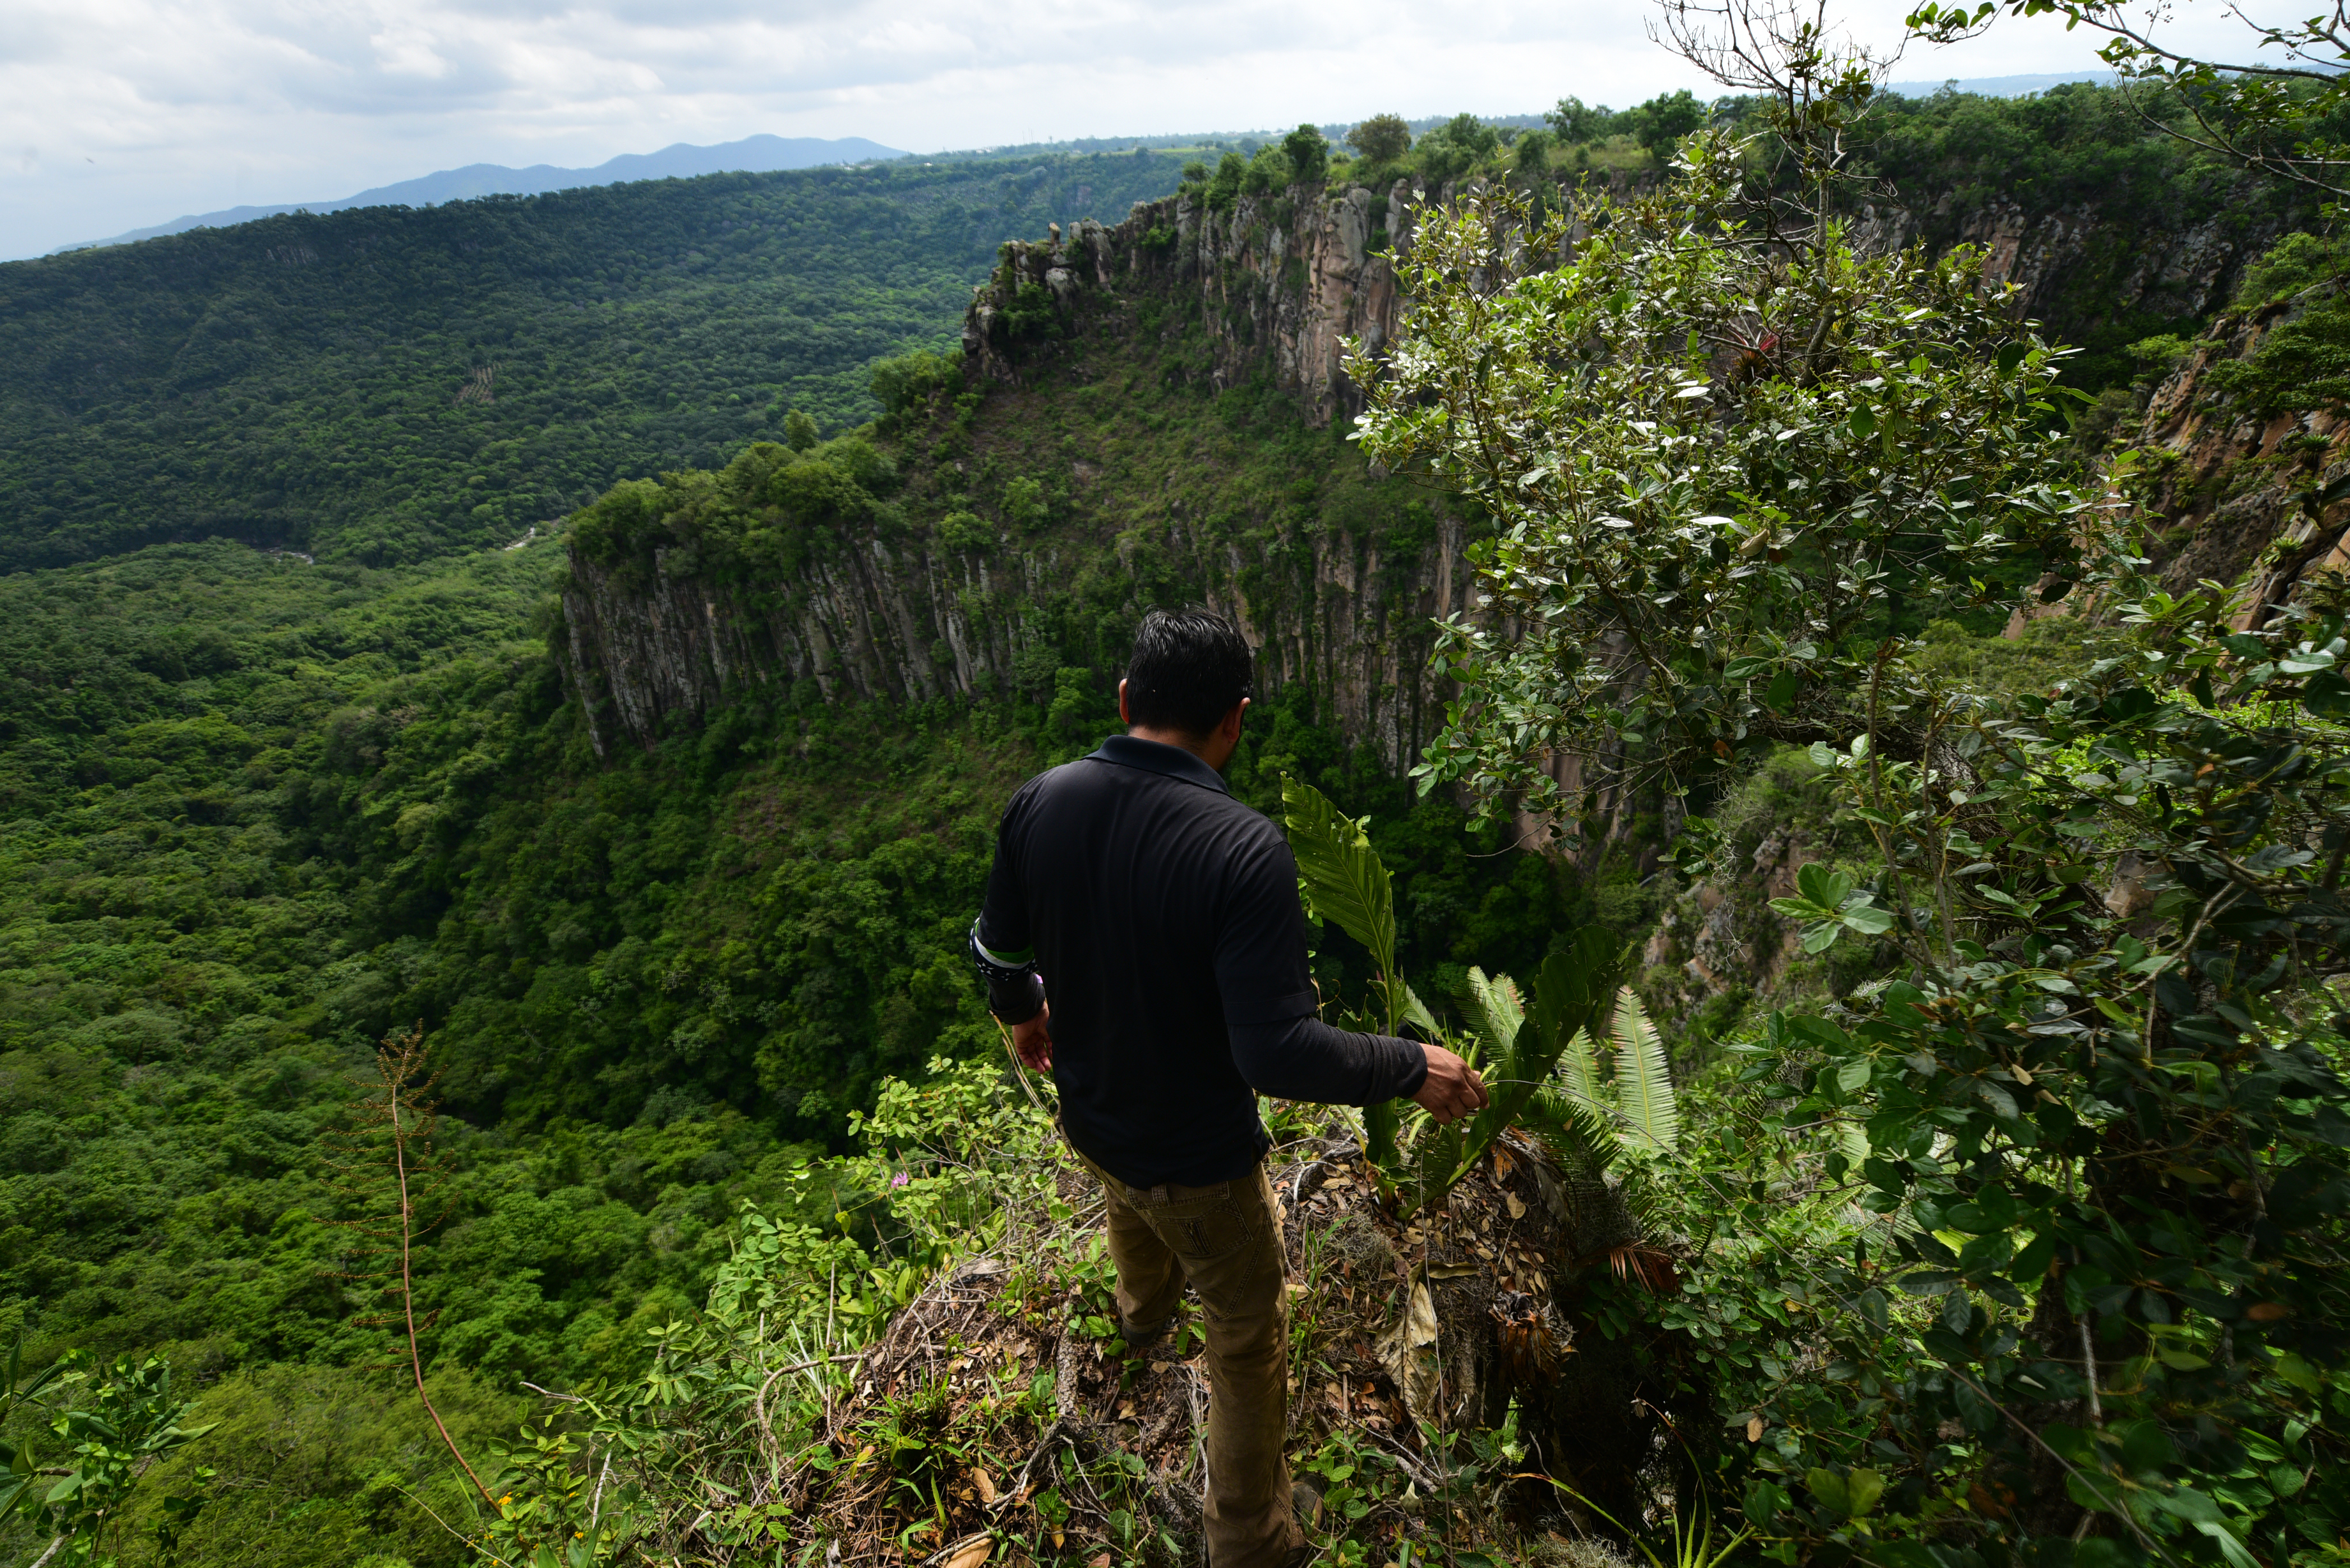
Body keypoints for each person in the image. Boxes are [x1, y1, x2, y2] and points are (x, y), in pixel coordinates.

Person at [969, 607, 1490, 1568]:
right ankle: (1248, 1539)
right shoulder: (1242, 850)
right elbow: (1276, 1054)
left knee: (1126, 1198)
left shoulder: (1039, 799)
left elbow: (998, 947)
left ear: (1125, 701)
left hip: (1089, 1114)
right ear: (1235, 721)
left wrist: (1022, 1011)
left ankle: (1139, 1321)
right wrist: (1411, 1065)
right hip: (1200, 1163)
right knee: (1246, 1333)